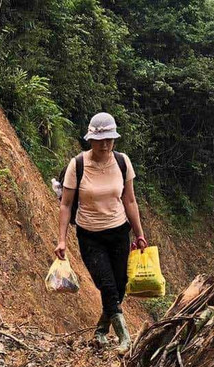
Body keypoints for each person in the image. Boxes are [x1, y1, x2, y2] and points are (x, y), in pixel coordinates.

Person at [55, 112, 147, 352]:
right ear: (90, 139)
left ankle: (101, 330)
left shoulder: (122, 162)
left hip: (119, 232)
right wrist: (61, 240)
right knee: (106, 284)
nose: (105, 144)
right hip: (90, 235)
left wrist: (139, 234)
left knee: (120, 284)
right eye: (100, 140)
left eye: (109, 139)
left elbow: (129, 200)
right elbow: (66, 205)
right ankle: (125, 337)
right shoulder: (77, 165)